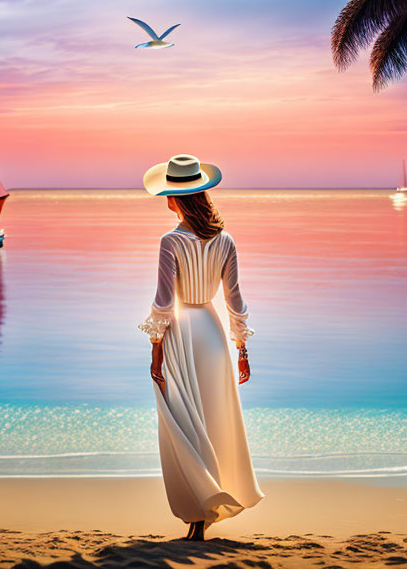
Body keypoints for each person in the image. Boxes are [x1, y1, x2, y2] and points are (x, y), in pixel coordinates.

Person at [139, 154, 264, 541]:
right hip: (211, 333)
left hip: (181, 332)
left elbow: (163, 302)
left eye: (170, 194)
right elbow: (235, 302)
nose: (166, 200)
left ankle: (199, 512)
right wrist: (241, 348)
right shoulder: (225, 240)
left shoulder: (171, 241)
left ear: (179, 198)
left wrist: (155, 351)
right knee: (210, 420)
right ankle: (206, 511)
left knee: (184, 424)